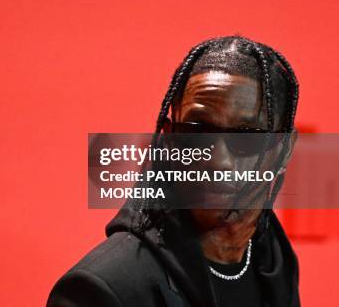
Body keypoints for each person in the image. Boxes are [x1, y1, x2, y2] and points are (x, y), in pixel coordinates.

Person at [47, 36, 300, 307]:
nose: (216, 160)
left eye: (246, 137)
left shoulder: (272, 257)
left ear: (284, 150)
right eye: (197, 131)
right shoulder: (103, 289)